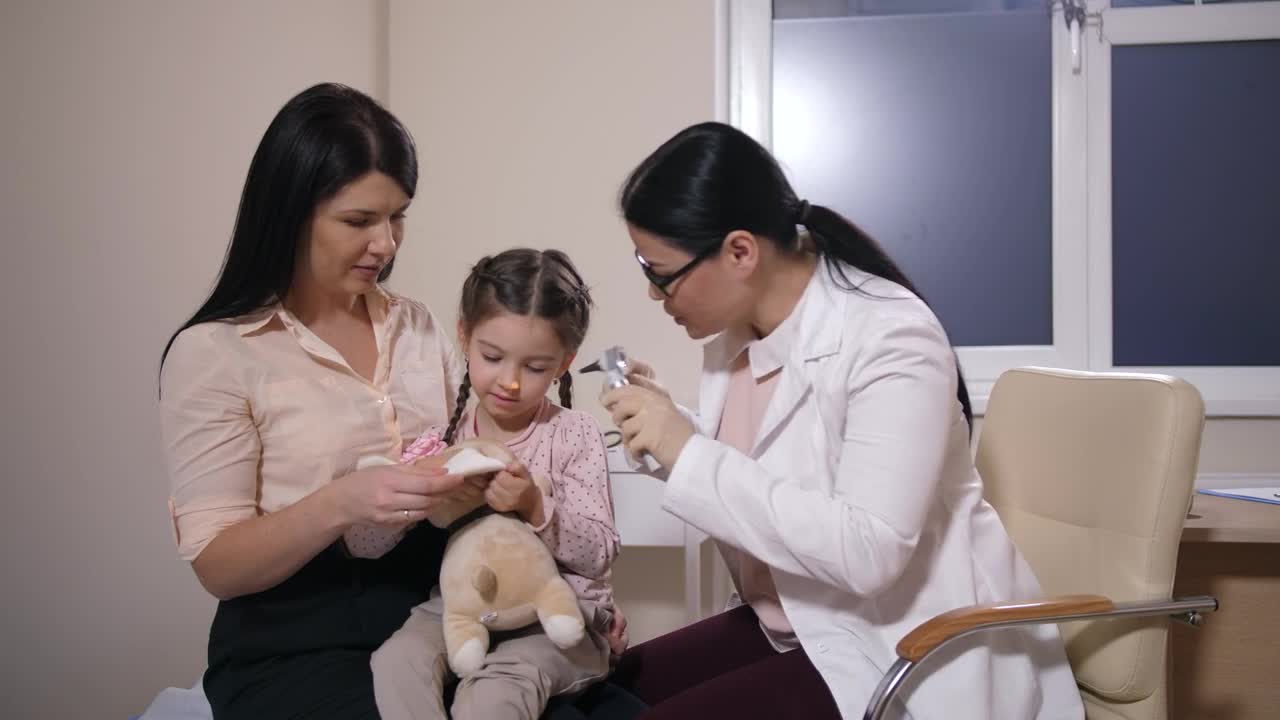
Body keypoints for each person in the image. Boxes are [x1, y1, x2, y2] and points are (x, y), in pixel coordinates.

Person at [159, 84, 632, 720]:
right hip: (298, 643)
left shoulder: (416, 327)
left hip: (442, 612)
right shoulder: (216, 352)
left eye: (398, 216)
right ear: (291, 212)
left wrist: (565, 594)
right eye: (359, 221)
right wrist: (340, 503)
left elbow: (474, 477)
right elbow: (219, 566)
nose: (387, 244)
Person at [600, 122, 1084, 720]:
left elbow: (868, 549)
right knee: (597, 694)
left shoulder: (892, 336)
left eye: (660, 272)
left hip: (899, 645)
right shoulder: (743, 336)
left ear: (740, 252)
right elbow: (783, 465)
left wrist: (688, 453)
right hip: (800, 621)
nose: (654, 294)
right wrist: (674, 431)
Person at [363, 248, 620, 720]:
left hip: (555, 617)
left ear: (565, 362)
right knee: (396, 662)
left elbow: (600, 552)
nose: (510, 382)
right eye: (493, 356)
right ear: (464, 334)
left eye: (535, 367)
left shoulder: (573, 434)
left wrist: (534, 506)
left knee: (493, 691)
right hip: (464, 608)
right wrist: (416, 497)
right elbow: (370, 541)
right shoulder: (443, 438)